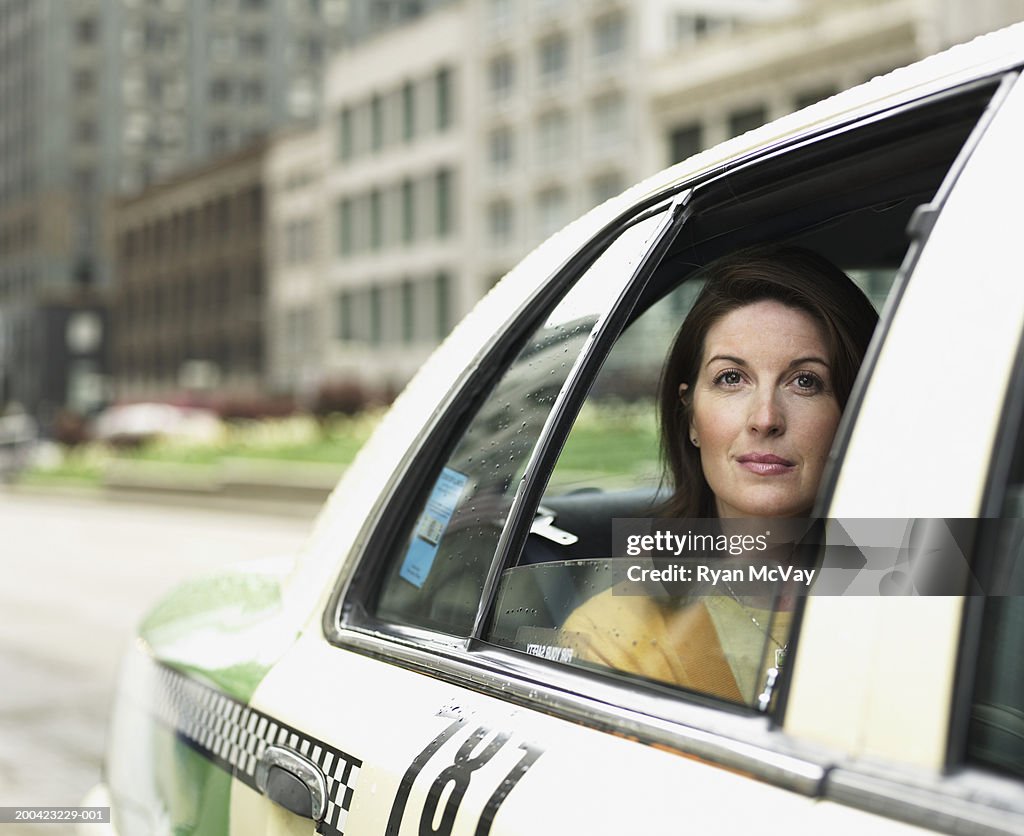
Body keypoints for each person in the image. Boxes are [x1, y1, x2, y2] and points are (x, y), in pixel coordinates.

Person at [559, 246, 879, 704]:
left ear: (856, 409)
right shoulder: (612, 634)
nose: (765, 417)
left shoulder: (932, 586)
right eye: (732, 378)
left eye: (806, 381)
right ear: (690, 416)